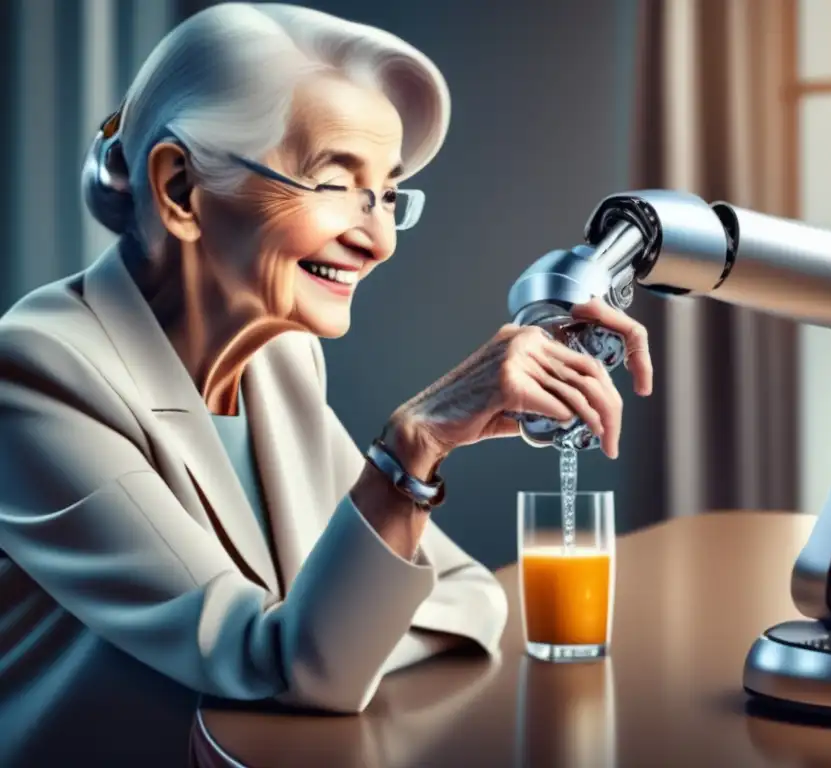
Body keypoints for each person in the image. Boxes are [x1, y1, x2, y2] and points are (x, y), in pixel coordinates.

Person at [0, 2, 653, 763]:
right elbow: (286, 665)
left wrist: (334, 645)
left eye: (386, 194)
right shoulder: (38, 375)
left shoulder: (279, 361)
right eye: (335, 184)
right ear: (181, 189)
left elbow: (469, 595)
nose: (376, 239)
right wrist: (417, 443)